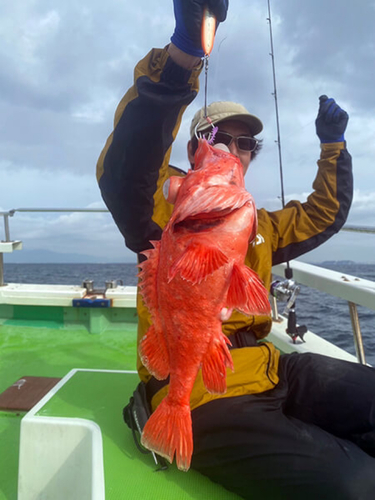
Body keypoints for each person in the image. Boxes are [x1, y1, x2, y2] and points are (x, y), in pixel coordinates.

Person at [97, 1, 375, 498]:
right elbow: (128, 161)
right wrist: (182, 57)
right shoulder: (164, 208)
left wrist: (333, 147)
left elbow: (321, 215)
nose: (231, 148)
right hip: (201, 384)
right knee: (353, 485)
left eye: (244, 144)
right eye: (216, 138)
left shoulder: (259, 225)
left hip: (269, 366)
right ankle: (157, 410)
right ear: (192, 149)